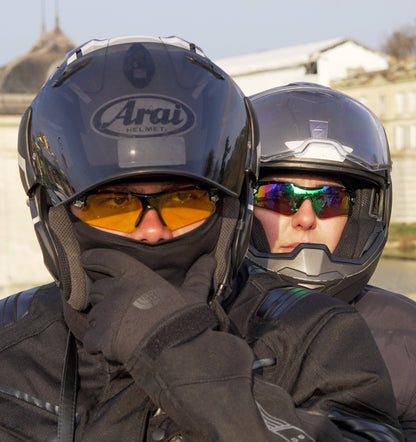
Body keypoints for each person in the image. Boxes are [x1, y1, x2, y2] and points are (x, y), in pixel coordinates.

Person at [0, 37, 403, 441]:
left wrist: (179, 355)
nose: (153, 230)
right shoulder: (11, 348)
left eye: (183, 200)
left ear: (228, 210)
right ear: (57, 219)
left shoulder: (317, 334)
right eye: (114, 204)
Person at [247, 82, 416, 440]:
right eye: (279, 196)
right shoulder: (198, 323)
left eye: (329, 200)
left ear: (360, 218)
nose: (306, 218)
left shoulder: (408, 334)